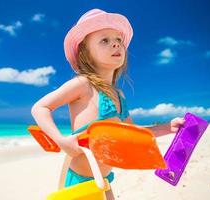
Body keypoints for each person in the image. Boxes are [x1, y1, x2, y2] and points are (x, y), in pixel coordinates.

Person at [31, 8, 184, 200]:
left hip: (102, 180)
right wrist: (62, 141)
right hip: (81, 183)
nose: (115, 45)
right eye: (105, 40)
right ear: (85, 54)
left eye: (118, 40)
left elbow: (133, 133)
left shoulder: (119, 96)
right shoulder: (83, 84)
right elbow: (40, 108)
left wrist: (167, 128)